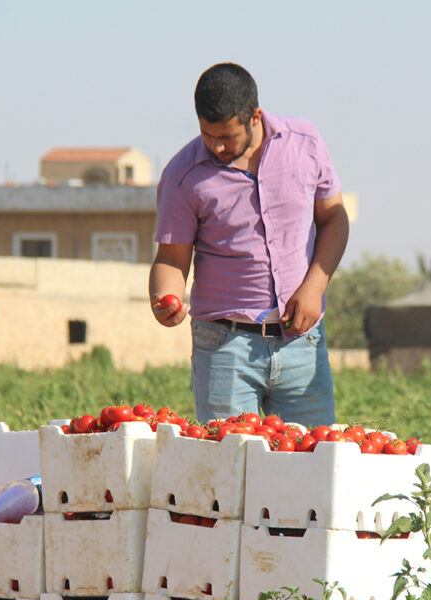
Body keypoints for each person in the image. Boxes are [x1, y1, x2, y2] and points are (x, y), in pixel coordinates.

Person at [149, 62, 349, 427]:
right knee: (231, 458)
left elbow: (334, 219)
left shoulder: (305, 143)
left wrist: (314, 287)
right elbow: (171, 259)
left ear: (254, 117)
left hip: (302, 341)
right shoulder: (182, 175)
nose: (217, 146)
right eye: (208, 135)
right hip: (225, 347)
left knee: (312, 455)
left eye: (227, 136)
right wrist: (165, 297)